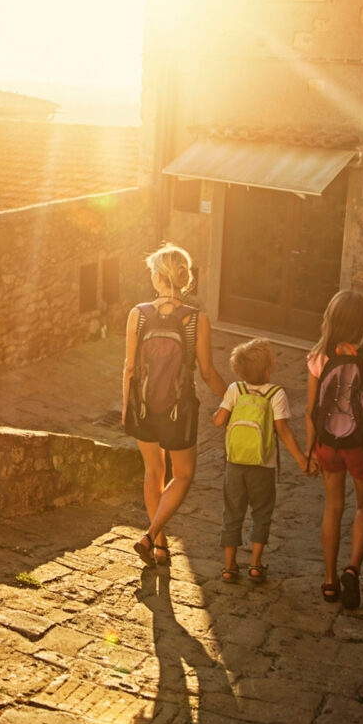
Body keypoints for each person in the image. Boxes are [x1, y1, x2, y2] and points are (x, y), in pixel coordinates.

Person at [123, 243, 226, 568]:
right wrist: (233, 397)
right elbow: (207, 372)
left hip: (142, 407)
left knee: (153, 472)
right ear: (184, 279)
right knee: (183, 475)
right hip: (179, 411)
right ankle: (150, 536)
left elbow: (129, 368)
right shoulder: (196, 319)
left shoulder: (138, 314)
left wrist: (127, 407)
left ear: (157, 277)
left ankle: (160, 545)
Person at [306, 291, 363, 609]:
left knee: (333, 507)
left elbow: (311, 411)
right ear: (362, 323)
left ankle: (330, 581)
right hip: (362, 446)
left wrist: (309, 451)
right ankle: (352, 569)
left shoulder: (318, 358)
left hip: (328, 443)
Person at [212, 338, 310, 584]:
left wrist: (221, 412)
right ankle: (255, 565)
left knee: (232, 512)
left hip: (235, 464)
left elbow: (218, 420)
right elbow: (283, 431)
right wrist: (302, 459)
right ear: (268, 370)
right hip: (263, 466)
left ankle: (229, 566)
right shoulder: (276, 394)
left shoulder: (235, 389)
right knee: (261, 513)